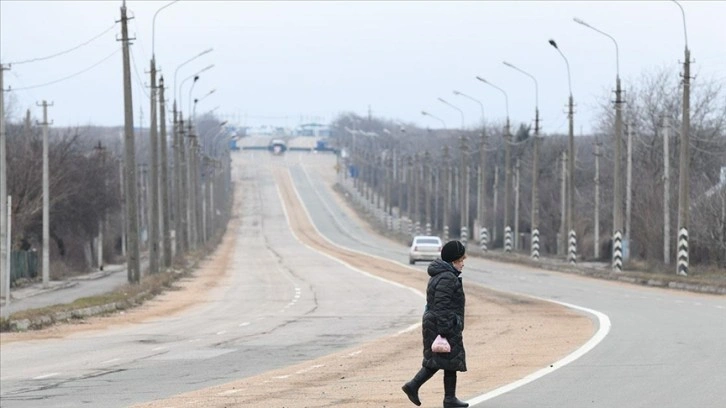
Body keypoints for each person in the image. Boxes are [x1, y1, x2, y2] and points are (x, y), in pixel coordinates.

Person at [402, 240, 468, 408]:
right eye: (461, 260)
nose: (462, 264)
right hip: (442, 324)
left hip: (438, 322)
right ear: (453, 261)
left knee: (447, 362)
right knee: (439, 361)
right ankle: (414, 386)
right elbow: (442, 305)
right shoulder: (447, 278)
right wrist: (446, 328)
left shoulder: (443, 275)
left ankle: (449, 398)